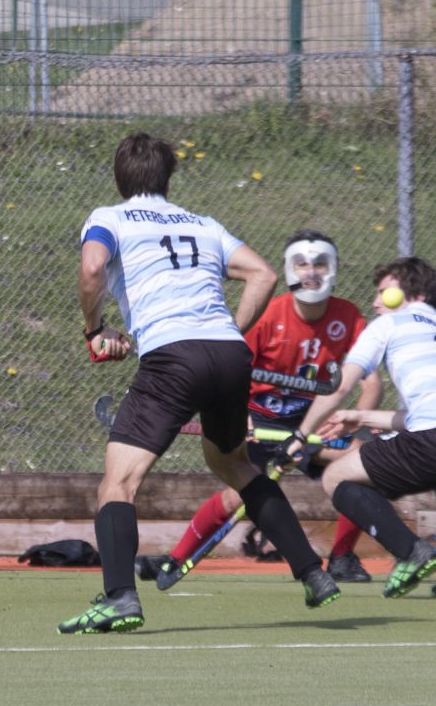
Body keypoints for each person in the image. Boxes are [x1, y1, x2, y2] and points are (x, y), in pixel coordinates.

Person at [60, 133, 340, 633]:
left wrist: (95, 330)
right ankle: (313, 573)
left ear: (119, 179)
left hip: (173, 356)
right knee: (233, 464)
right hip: (229, 354)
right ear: (168, 178)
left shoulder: (110, 218)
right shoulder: (203, 224)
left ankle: (120, 597)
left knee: (118, 482)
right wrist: (230, 330)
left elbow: (92, 266)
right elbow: (263, 274)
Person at [137, 228, 382, 587]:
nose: (311, 272)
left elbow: (371, 384)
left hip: (312, 424)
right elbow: (232, 368)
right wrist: (243, 418)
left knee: (365, 465)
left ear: (333, 268)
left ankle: (342, 557)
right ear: (289, 268)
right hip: (261, 420)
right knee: (237, 495)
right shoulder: (268, 314)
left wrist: (354, 422)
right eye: (302, 264)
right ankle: (175, 558)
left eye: (319, 263)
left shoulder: (348, 315)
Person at [289, 258, 436, 598]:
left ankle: (411, 552)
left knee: (336, 477)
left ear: (416, 295)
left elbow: (340, 386)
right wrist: (362, 417)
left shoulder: (389, 323)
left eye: (384, 293)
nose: (376, 302)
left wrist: (300, 434)